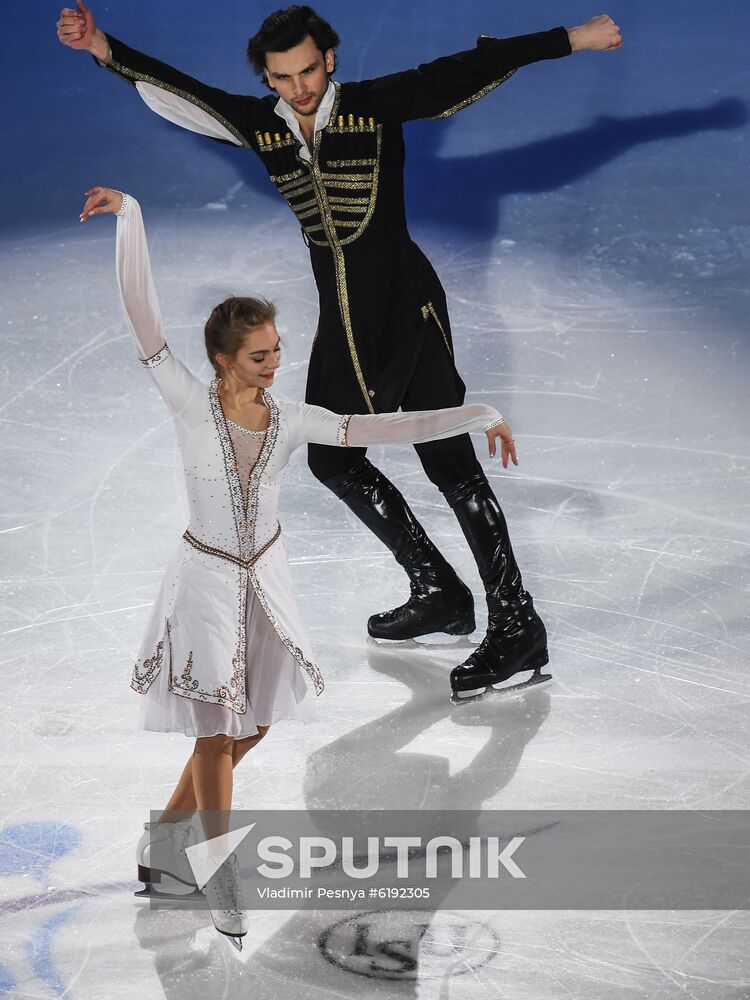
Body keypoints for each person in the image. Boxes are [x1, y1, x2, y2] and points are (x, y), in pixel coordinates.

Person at [58, 3, 622, 699]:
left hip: (408, 312)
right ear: (268, 78)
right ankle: (439, 590)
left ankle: (517, 625)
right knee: (331, 458)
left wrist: (573, 38)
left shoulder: (375, 107)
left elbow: (467, 69)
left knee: (449, 463)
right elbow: (187, 94)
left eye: (308, 71)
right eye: (282, 77)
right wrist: (102, 46)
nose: (299, 88)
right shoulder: (264, 126)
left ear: (329, 59)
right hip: (345, 325)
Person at [80, 184, 515, 945]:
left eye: (278, 349)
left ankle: (165, 836)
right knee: (217, 735)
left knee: (252, 728)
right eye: (259, 355)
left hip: (266, 578)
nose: (274, 363)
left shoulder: (292, 418)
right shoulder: (189, 400)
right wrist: (131, 218)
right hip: (207, 579)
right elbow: (141, 317)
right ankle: (216, 875)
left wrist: (477, 414)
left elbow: (386, 427)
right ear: (223, 359)